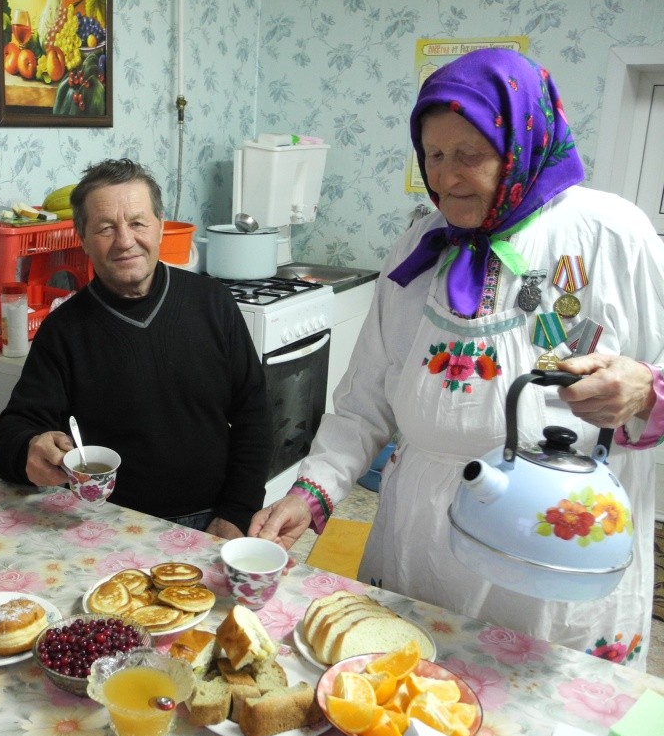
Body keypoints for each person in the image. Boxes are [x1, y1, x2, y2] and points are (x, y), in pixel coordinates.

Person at [252, 47, 664, 668]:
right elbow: (365, 399)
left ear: (521, 145)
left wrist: (645, 393)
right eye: (434, 156)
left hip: (548, 549)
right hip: (420, 535)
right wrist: (312, 493)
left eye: (469, 155)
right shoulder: (419, 247)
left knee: (530, 713)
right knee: (406, 696)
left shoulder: (611, 235)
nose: (445, 177)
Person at [0, 158, 272, 537]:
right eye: (106, 228)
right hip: (107, 525)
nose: (125, 241)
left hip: (212, 519)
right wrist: (29, 447)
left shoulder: (212, 302)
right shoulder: (64, 330)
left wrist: (237, 513)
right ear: (84, 239)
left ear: (160, 227)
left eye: (138, 222)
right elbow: (12, 430)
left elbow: (254, 413)